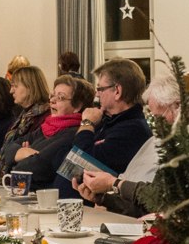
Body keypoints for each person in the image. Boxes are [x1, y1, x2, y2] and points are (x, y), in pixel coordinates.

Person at [74, 74, 182, 215]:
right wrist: (103, 199)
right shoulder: (156, 140)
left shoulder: (135, 129)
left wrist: (114, 183)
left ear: (178, 106)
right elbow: (143, 204)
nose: (96, 94)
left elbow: (158, 198)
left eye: (158, 117)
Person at [54, 58, 153, 195]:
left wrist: (87, 123)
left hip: (92, 209)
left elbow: (79, 158)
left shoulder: (133, 129)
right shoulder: (106, 120)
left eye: (100, 88)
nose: (97, 94)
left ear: (117, 91)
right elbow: (62, 157)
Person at [12, 74, 95, 185]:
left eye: (60, 97)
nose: (52, 101)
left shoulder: (74, 132)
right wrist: (27, 154)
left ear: (77, 106)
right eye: (53, 95)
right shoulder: (47, 126)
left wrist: (21, 156)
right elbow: (8, 149)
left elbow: (31, 168)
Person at [0, 65, 51, 180]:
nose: (11, 91)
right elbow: (12, 148)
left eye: (15, 86)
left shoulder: (46, 117)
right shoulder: (24, 115)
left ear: (30, 87)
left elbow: (34, 153)